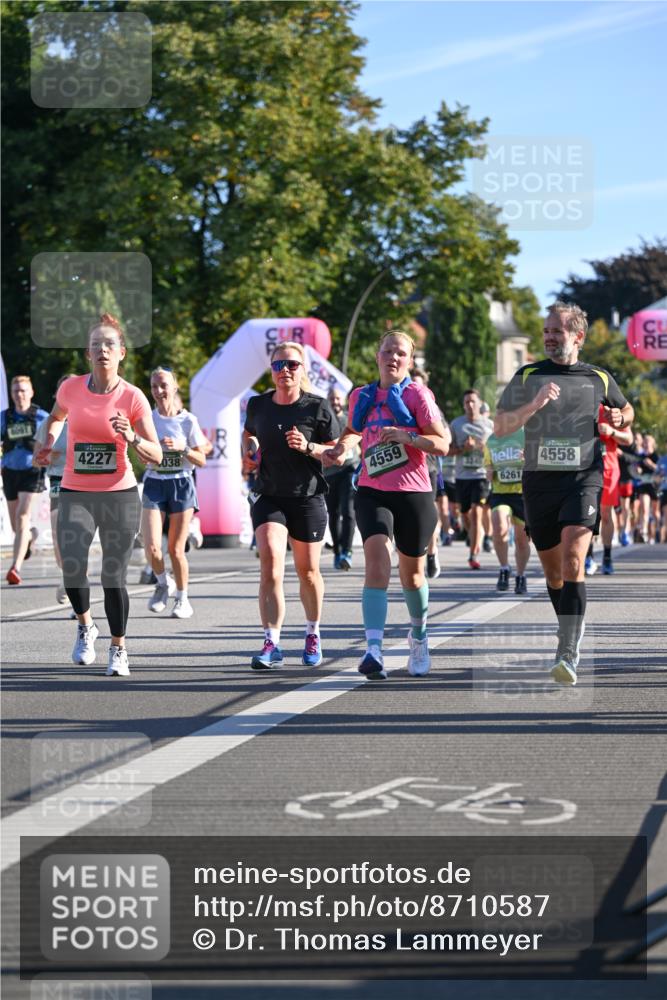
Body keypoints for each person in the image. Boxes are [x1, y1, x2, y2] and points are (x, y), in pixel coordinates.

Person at [495, 301, 633, 685]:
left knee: (574, 556)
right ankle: (568, 627)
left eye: (557, 331)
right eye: (546, 332)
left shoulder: (599, 378)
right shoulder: (527, 376)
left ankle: (568, 651)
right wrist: (535, 404)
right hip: (539, 482)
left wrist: (620, 417)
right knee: (554, 574)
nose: (550, 338)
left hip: (583, 478)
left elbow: (627, 411)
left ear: (578, 336)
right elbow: (502, 425)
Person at [34, 314, 162, 677]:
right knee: (72, 566)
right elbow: (57, 416)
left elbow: (154, 453)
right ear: (87, 354)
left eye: (109, 345)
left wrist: (132, 437)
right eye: (95, 345)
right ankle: (85, 625)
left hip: (119, 495)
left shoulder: (133, 397)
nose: (102, 350)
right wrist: (47, 440)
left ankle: (118, 647)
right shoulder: (71, 389)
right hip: (76, 491)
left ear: (121, 352)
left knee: (113, 576)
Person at [323, 331, 450, 680]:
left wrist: (408, 437)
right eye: (388, 351)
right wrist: (340, 447)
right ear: (378, 355)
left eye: (401, 354)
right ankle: (373, 650)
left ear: (409, 361)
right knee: (377, 561)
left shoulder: (417, 395)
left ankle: (419, 636)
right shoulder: (360, 396)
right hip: (371, 489)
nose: (393, 358)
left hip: (413, 492)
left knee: (412, 575)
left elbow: (443, 443)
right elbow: (353, 430)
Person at [242, 341, 338, 670]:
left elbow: (336, 452)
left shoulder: (317, 408)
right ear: (271, 370)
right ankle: (271, 642)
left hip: (308, 496)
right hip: (269, 494)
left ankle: (312, 633)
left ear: (303, 369)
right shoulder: (258, 405)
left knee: (308, 572)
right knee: (270, 563)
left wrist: (308, 446)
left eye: (292, 365)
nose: (285, 370)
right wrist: (250, 450)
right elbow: (249, 434)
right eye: (279, 365)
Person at [141, 366, 208, 619]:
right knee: (151, 547)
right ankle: (162, 583)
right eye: (154, 386)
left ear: (174, 387)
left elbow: (201, 460)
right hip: (155, 482)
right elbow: (140, 454)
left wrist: (183, 448)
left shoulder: (188, 420)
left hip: (181, 483)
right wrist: (146, 451)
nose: (158, 391)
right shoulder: (147, 418)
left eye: (163, 385)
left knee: (176, 550)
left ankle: (182, 598)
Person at [33, 374, 76, 605]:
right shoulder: (48, 423)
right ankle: (66, 575)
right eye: (62, 391)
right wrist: (48, 456)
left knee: (78, 541)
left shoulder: (86, 418)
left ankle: (77, 589)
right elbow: (35, 460)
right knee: (60, 543)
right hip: (58, 483)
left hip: (82, 482)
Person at [1, 375, 49, 584]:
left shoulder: (42, 417)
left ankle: (15, 568)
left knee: (22, 516)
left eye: (23, 391)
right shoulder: (4, 417)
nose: (19, 395)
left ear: (31, 393)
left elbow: (54, 443)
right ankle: (30, 536)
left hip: (32, 471)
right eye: (15, 391)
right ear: (11, 395)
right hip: (10, 471)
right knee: (15, 526)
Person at [483, 425, 531, 594]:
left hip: (522, 494)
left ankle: (521, 575)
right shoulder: (492, 439)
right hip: (500, 493)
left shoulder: (527, 435)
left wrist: (528, 461)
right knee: (499, 527)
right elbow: (488, 465)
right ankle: (504, 568)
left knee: (521, 539)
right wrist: (489, 471)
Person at [449, 389, 493, 569]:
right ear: (463, 405)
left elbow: (495, 449)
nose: (470, 405)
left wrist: (481, 446)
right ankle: (473, 534)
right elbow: (447, 450)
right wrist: (462, 449)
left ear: (480, 403)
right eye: (467, 402)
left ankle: (473, 554)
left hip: (481, 475)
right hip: (462, 476)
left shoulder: (489, 425)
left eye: (473, 401)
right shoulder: (456, 424)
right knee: (465, 515)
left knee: (476, 513)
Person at [587, 406, 633, 575]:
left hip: (608, 470)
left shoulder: (612, 410)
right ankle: (588, 556)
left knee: (606, 513)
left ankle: (606, 557)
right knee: (587, 513)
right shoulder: (582, 406)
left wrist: (612, 432)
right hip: (585, 468)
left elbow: (629, 439)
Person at [323, 386, 357, 571]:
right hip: (329, 474)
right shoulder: (321, 421)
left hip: (349, 471)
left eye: (337, 399)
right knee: (334, 514)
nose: (334, 402)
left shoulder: (349, 420)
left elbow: (359, 440)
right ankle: (337, 551)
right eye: (331, 399)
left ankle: (347, 552)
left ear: (342, 401)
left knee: (349, 511)